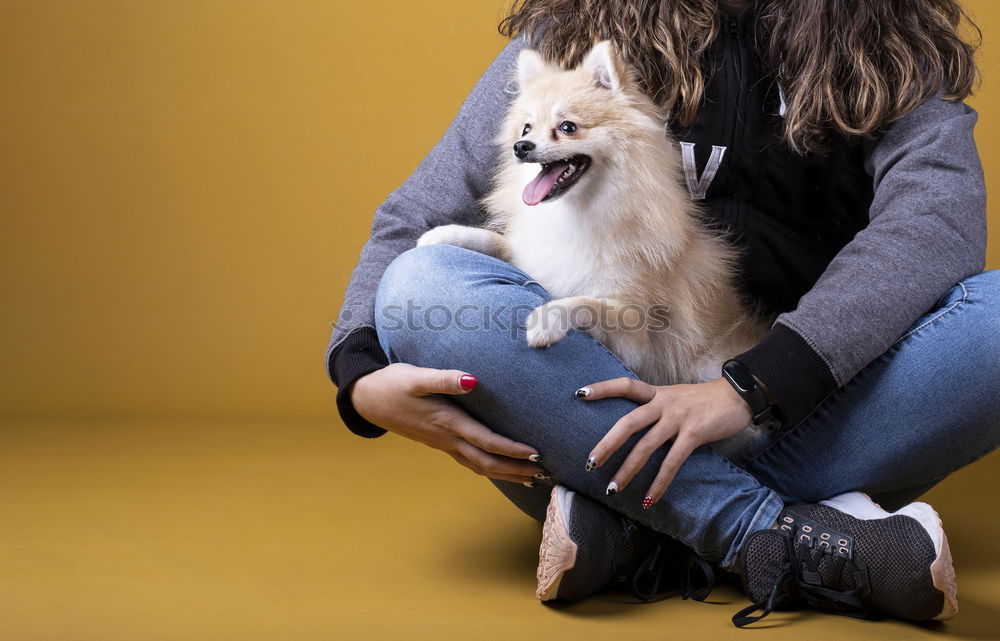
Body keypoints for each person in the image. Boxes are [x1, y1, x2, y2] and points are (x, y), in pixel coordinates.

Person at [327, 0, 1000, 626]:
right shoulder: (576, 27)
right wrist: (358, 374)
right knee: (421, 282)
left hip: (810, 409)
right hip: (591, 423)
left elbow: (935, 222)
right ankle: (783, 534)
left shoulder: (889, 38)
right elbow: (419, 212)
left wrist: (750, 387)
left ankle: (634, 533)